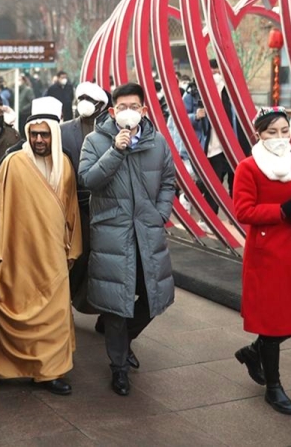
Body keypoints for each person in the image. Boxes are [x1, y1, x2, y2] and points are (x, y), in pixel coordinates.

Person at [0, 97, 81, 395]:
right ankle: (4, 367)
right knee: (13, 307)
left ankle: (50, 372)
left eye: (44, 134)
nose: (38, 140)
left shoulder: (66, 167)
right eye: (34, 134)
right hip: (17, 253)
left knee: (55, 314)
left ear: (54, 135)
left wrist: (70, 248)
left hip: (53, 256)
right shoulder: (13, 163)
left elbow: (71, 211)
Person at [79, 82, 176, 396]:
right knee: (117, 306)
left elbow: (168, 182)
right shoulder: (95, 141)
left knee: (152, 298)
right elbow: (89, 180)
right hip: (113, 234)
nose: (129, 112)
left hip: (147, 232)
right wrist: (115, 150)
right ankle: (118, 367)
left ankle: (124, 342)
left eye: (135, 106)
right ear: (112, 111)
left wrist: (160, 213)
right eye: (122, 107)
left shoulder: (158, 142)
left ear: (144, 110)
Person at [231, 107, 291, 415]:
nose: (280, 137)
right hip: (266, 255)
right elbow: (243, 211)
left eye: (284, 130)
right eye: (272, 132)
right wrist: (281, 211)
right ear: (258, 134)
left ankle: (254, 352)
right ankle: (273, 387)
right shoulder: (248, 168)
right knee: (272, 323)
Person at [61, 82, 108, 315]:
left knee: (101, 259)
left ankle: (91, 303)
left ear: (101, 104)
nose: (85, 103)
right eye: (81, 98)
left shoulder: (111, 130)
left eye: (90, 99)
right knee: (76, 255)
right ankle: (69, 298)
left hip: (103, 202)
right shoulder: (63, 130)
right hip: (73, 204)